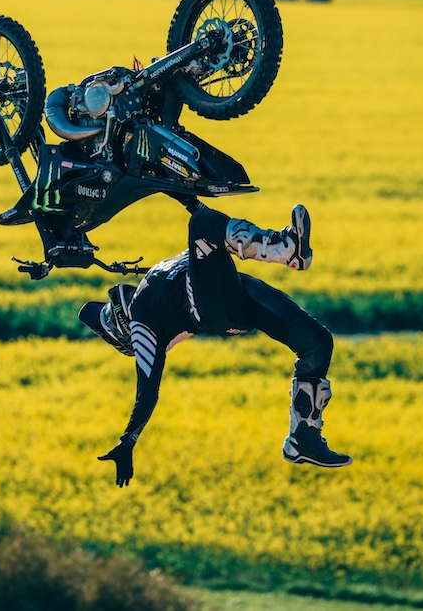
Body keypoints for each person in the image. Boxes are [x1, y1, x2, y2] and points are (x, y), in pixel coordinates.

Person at [78, 203, 352, 488]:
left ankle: (303, 440)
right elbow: (146, 390)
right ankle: (286, 248)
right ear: (123, 330)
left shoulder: (149, 289)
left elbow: (208, 235)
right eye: (109, 317)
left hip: (233, 290)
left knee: (317, 341)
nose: (111, 308)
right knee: (201, 224)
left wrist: (183, 192)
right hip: (213, 307)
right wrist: (128, 439)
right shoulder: (142, 325)